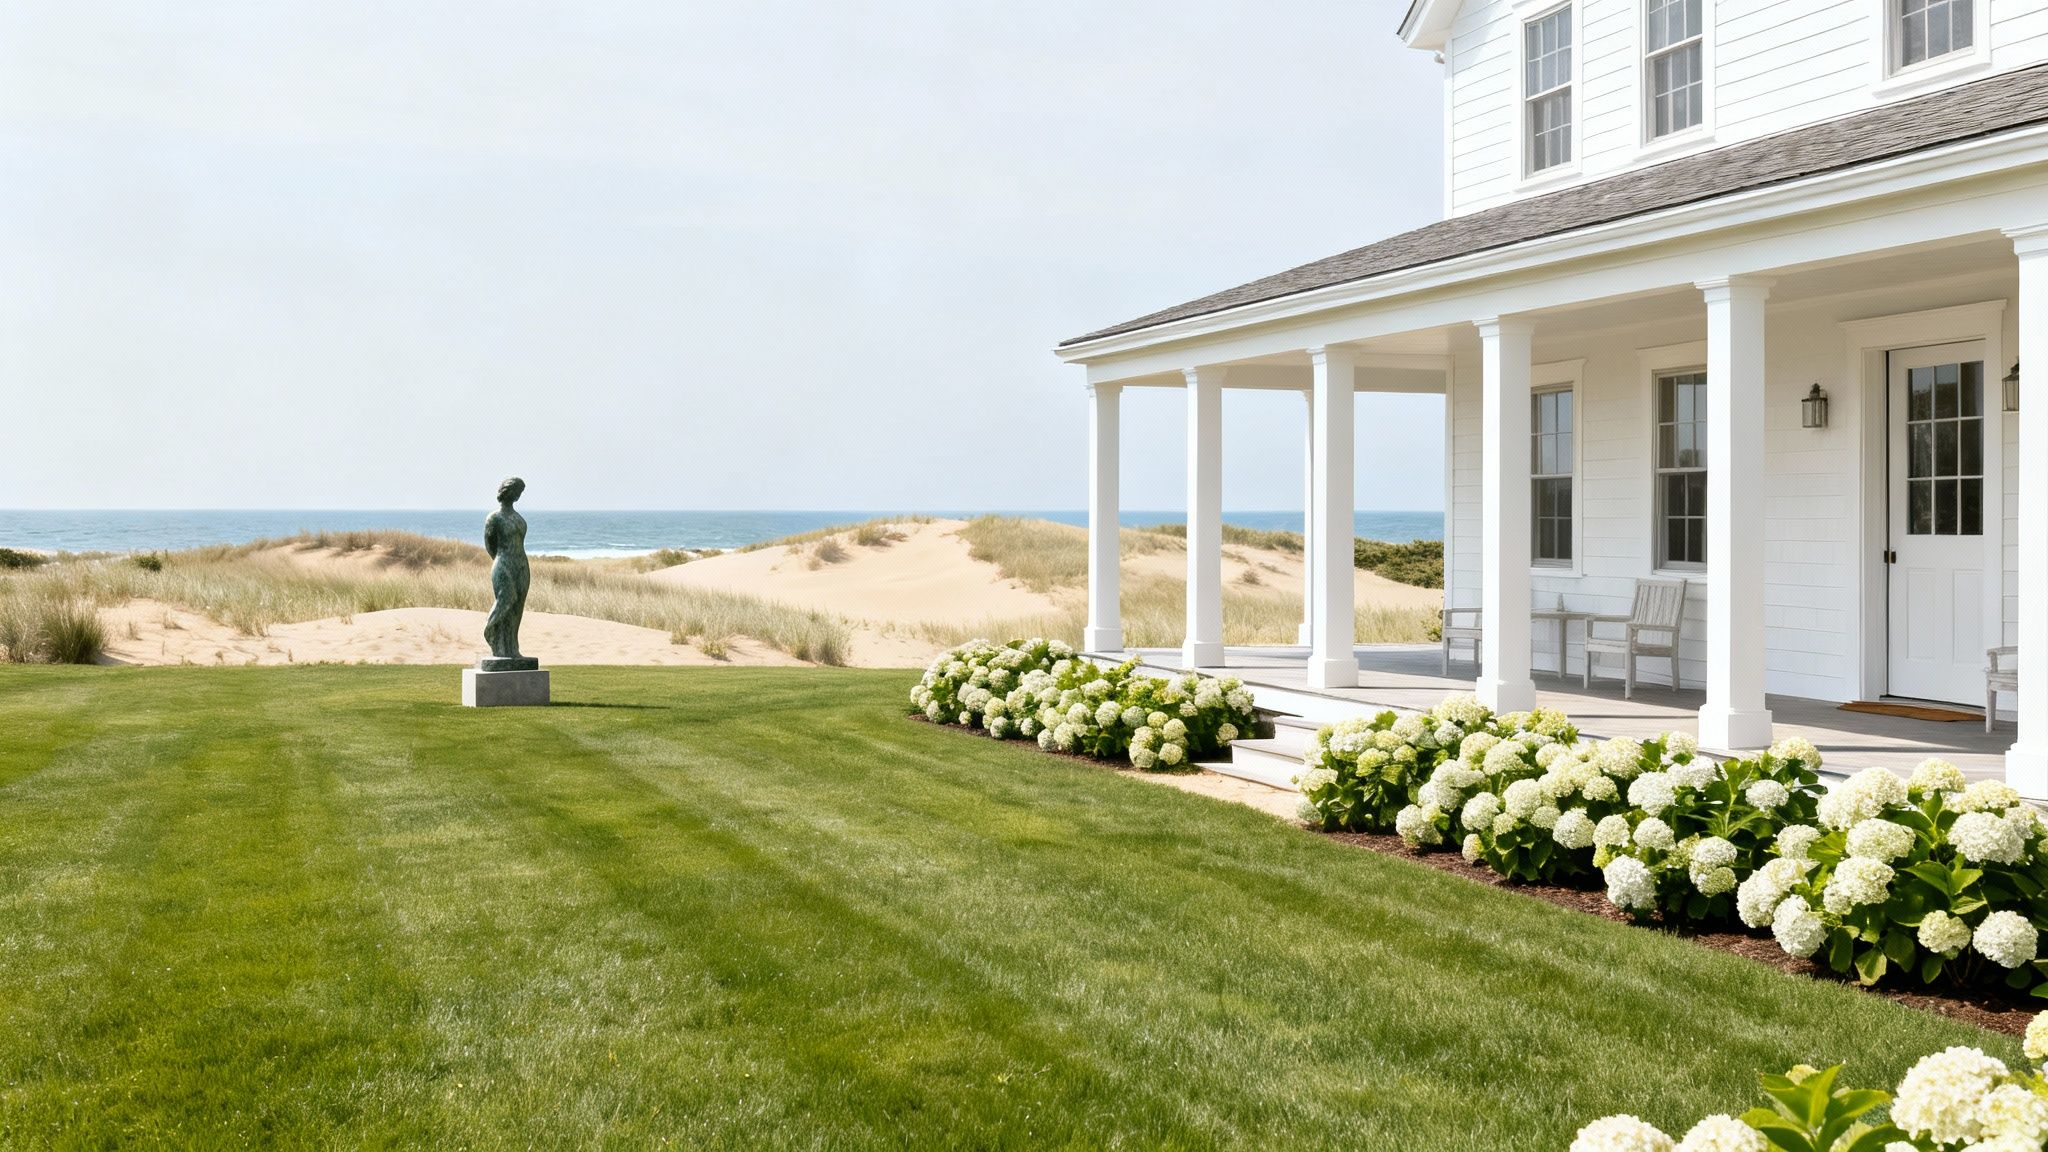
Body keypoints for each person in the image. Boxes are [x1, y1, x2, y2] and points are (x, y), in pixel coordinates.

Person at [482, 477, 530, 661]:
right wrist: (503, 561)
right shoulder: (494, 518)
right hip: (503, 563)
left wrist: (516, 562)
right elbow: (490, 546)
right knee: (506, 600)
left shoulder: (519, 518)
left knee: (517, 608)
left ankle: (512, 649)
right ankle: (491, 633)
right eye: (516, 491)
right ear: (507, 491)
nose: (518, 495)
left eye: (520, 492)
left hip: (522, 565)